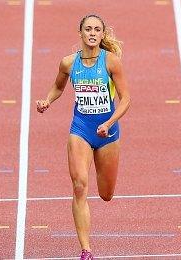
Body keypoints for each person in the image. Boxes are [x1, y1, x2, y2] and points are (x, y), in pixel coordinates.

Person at [36, 14, 131, 260]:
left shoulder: (111, 62)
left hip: (107, 133)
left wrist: (109, 122)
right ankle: (86, 250)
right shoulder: (68, 63)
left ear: (102, 35)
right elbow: (58, 86)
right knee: (79, 186)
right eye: (87, 29)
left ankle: (88, 241)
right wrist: (47, 100)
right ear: (80, 33)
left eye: (96, 29)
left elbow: (126, 99)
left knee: (106, 194)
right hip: (80, 130)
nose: (92, 33)